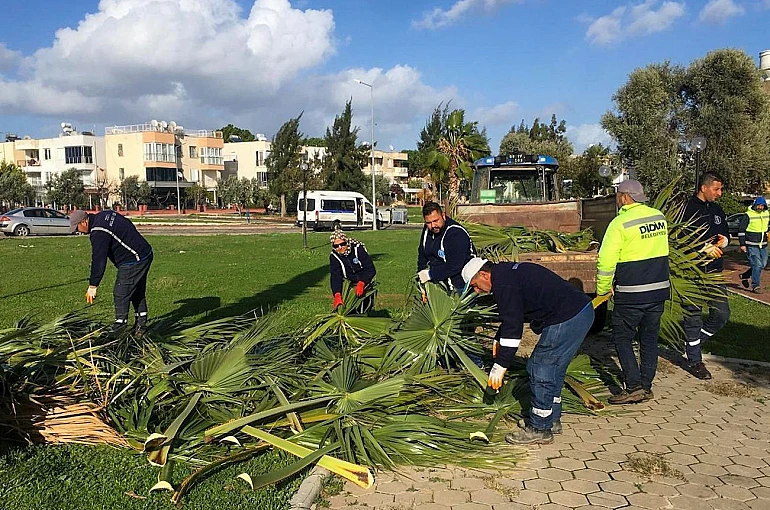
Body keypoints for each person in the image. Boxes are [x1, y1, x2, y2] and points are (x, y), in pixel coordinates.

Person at [462, 257, 594, 445]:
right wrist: (499, 338)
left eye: (475, 285)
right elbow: (514, 313)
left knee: (540, 368)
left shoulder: (504, 284)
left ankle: (540, 428)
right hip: (580, 311)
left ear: (484, 274)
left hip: (568, 317)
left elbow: (514, 328)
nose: (477, 291)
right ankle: (551, 420)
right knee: (553, 369)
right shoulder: (505, 274)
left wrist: (500, 365)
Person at [596, 180, 670, 404]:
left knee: (622, 338)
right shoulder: (659, 218)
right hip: (658, 291)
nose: (618, 199)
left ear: (625, 197)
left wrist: (602, 290)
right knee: (649, 340)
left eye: (618, 195)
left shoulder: (620, 223)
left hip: (631, 293)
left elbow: (606, 261)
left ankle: (634, 386)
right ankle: (646, 386)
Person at [69, 209, 154, 334]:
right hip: (144, 252)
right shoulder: (104, 214)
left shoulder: (98, 232)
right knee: (136, 291)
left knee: (120, 293)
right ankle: (141, 326)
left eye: (77, 228)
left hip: (133, 259)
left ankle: (120, 328)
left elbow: (99, 259)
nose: (78, 231)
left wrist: (93, 285)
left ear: (84, 222)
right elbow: (127, 223)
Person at [681, 172, 731, 380]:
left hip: (714, 272)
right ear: (704, 188)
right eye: (716, 189)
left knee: (721, 314)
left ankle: (693, 344)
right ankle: (695, 360)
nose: (719, 193)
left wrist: (724, 241)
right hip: (692, 272)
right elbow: (679, 239)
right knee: (692, 316)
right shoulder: (686, 209)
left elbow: (725, 233)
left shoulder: (717, 209)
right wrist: (702, 248)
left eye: (720, 189)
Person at [417, 202, 475, 293]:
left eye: (436, 221)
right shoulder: (427, 230)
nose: (433, 226)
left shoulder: (456, 233)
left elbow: (455, 266)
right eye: (428, 222)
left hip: (461, 285)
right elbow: (422, 254)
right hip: (439, 282)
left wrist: (430, 274)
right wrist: (421, 276)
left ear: (443, 216)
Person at [329, 230, 376, 313]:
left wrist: (362, 283)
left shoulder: (358, 249)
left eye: (342, 244)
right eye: (336, 246)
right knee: (349, 309)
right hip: (349, 285)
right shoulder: (334, 256)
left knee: (364, 308)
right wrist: (337, 295)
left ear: (346, 242)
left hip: (365, 282)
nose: (340, 247)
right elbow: (336, 276)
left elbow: (370, 269)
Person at [738, 196, 768, 294]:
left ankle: (745, 275)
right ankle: (756, 286)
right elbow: (741, 230)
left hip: (763, 244)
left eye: (762, 206)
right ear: (755, 205)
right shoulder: (748, 215)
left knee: (762, 264)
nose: (760, 207)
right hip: (751, 244)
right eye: (759, 205)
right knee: (757, 264)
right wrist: (742, 244)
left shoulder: (766, 213)